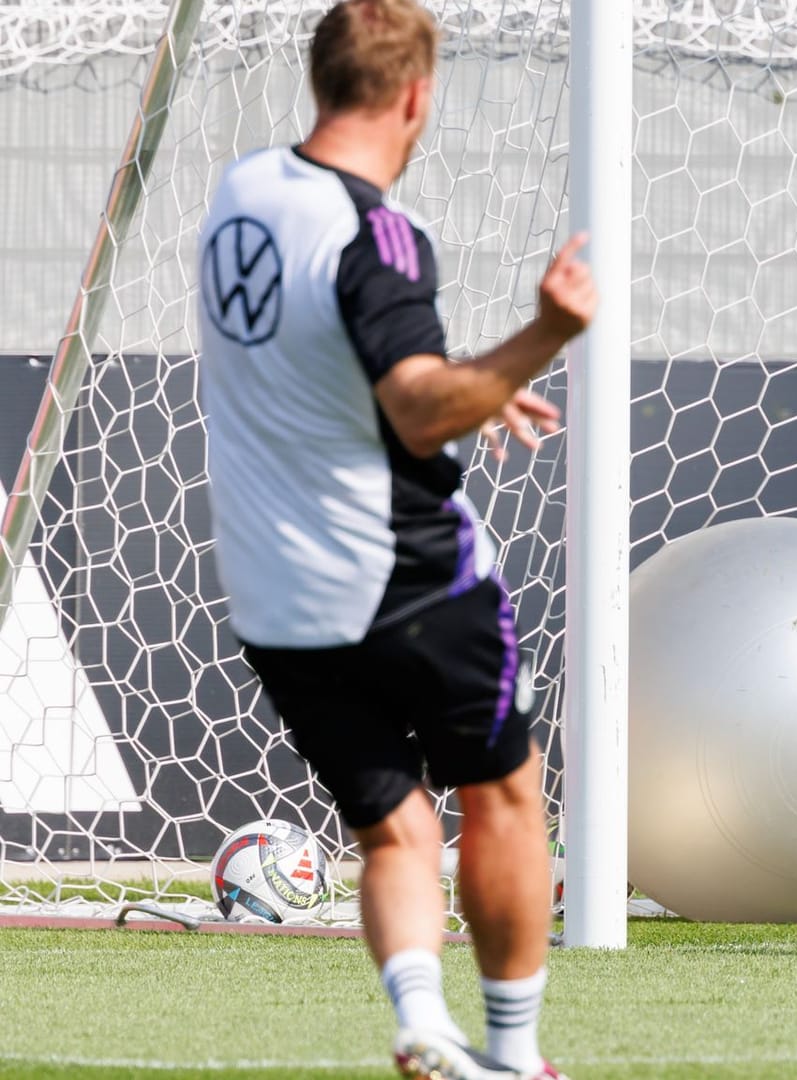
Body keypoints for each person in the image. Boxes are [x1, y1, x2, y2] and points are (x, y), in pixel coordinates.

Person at [195, 1, 598, 1075]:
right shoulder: (378, 233)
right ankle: (515, 1056)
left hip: (277, 597)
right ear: (416, 97)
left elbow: (330, 363)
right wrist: (540, 339)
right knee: (503, 793)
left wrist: (482, 386)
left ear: (319, 78)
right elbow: (418, 407)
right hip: (406, 577)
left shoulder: (240, 194)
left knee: (395, 827)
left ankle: (422, 1022)